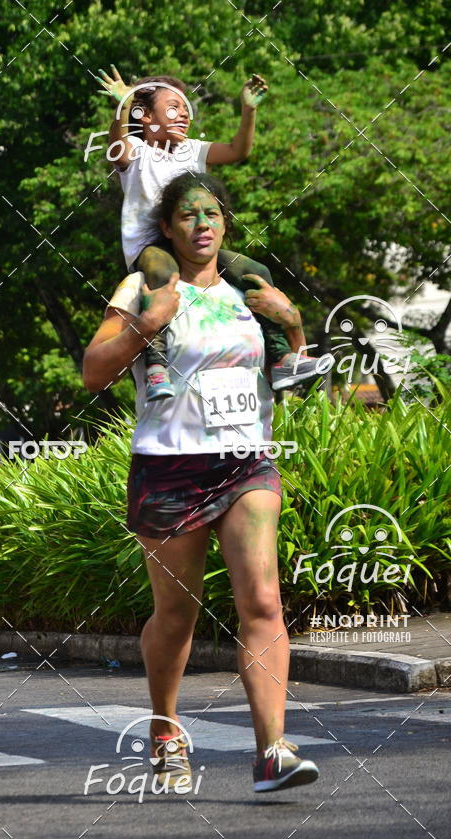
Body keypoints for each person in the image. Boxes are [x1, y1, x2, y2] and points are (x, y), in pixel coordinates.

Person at [83, 172, 319, 793]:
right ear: (167, 227)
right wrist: (149, 322)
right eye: (187, 216)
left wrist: (293, 322)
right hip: (169, 467)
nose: (202, 225)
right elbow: (93, 371)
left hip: (246, 462)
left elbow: (294, 370)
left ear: (224, 222)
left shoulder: (250, 287)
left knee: (263, 601)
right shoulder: (143, 285)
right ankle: (164, 727)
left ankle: (272, 750)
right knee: (176, 615)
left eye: (212, 214)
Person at [96, 66, 325, 400]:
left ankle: (278, 358)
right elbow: (117, 145)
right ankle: (156, 363)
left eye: (186, 109)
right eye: (173, 108)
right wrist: (124, 106)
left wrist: (249, 110)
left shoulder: (193, 149)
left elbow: (237, 151)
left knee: (256, 271)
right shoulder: (137, 151)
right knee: (164, 273)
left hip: (194, 244)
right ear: (144, 117)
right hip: (154, 246)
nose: (184, 115)